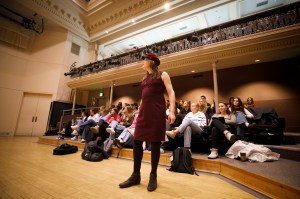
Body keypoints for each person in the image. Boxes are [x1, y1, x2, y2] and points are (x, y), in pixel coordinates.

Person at [119, 53, 175, 192]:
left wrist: (172, 111)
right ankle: (135, 175)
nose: (142, 62)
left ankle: (153, 175)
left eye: (144, 60)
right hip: (143, 114)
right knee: (137, 141)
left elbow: (171, 92)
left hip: (156, 113)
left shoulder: (163, 74)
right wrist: (138, 111)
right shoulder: (144, 78)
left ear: (151, 61)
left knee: (155, 143)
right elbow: (144, 97)